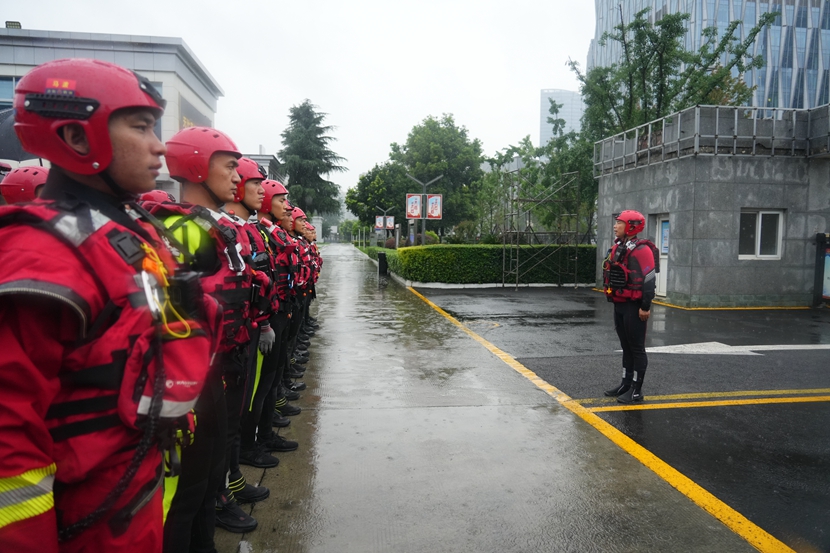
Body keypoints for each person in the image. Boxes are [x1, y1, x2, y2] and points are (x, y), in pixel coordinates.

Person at [0, 58, 214, 553]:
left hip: (135, 495)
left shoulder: (128, 232)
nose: (160, 145)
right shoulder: (41, 255)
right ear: (78, 137)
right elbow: (9, 438)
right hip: (87, 523)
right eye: (140, 127)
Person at [153, 127, 262, 548]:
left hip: (218, 365)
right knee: (185, 496)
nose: (237, 177)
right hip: (189, 381)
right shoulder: (182, 230)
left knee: (206, 478)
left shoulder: (210, 226)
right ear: (198, 165)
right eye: (231, 166)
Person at [602, 210, 658, 404]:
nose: (615, 226)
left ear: (632, 226)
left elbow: (649, 280)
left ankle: (636, 389)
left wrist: (645, 306)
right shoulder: (618, 247)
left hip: (634, 307)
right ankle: (625, 384)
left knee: (637, 349)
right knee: (626, 347)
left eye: (619, 223)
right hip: (620, 305)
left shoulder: (643, 250)